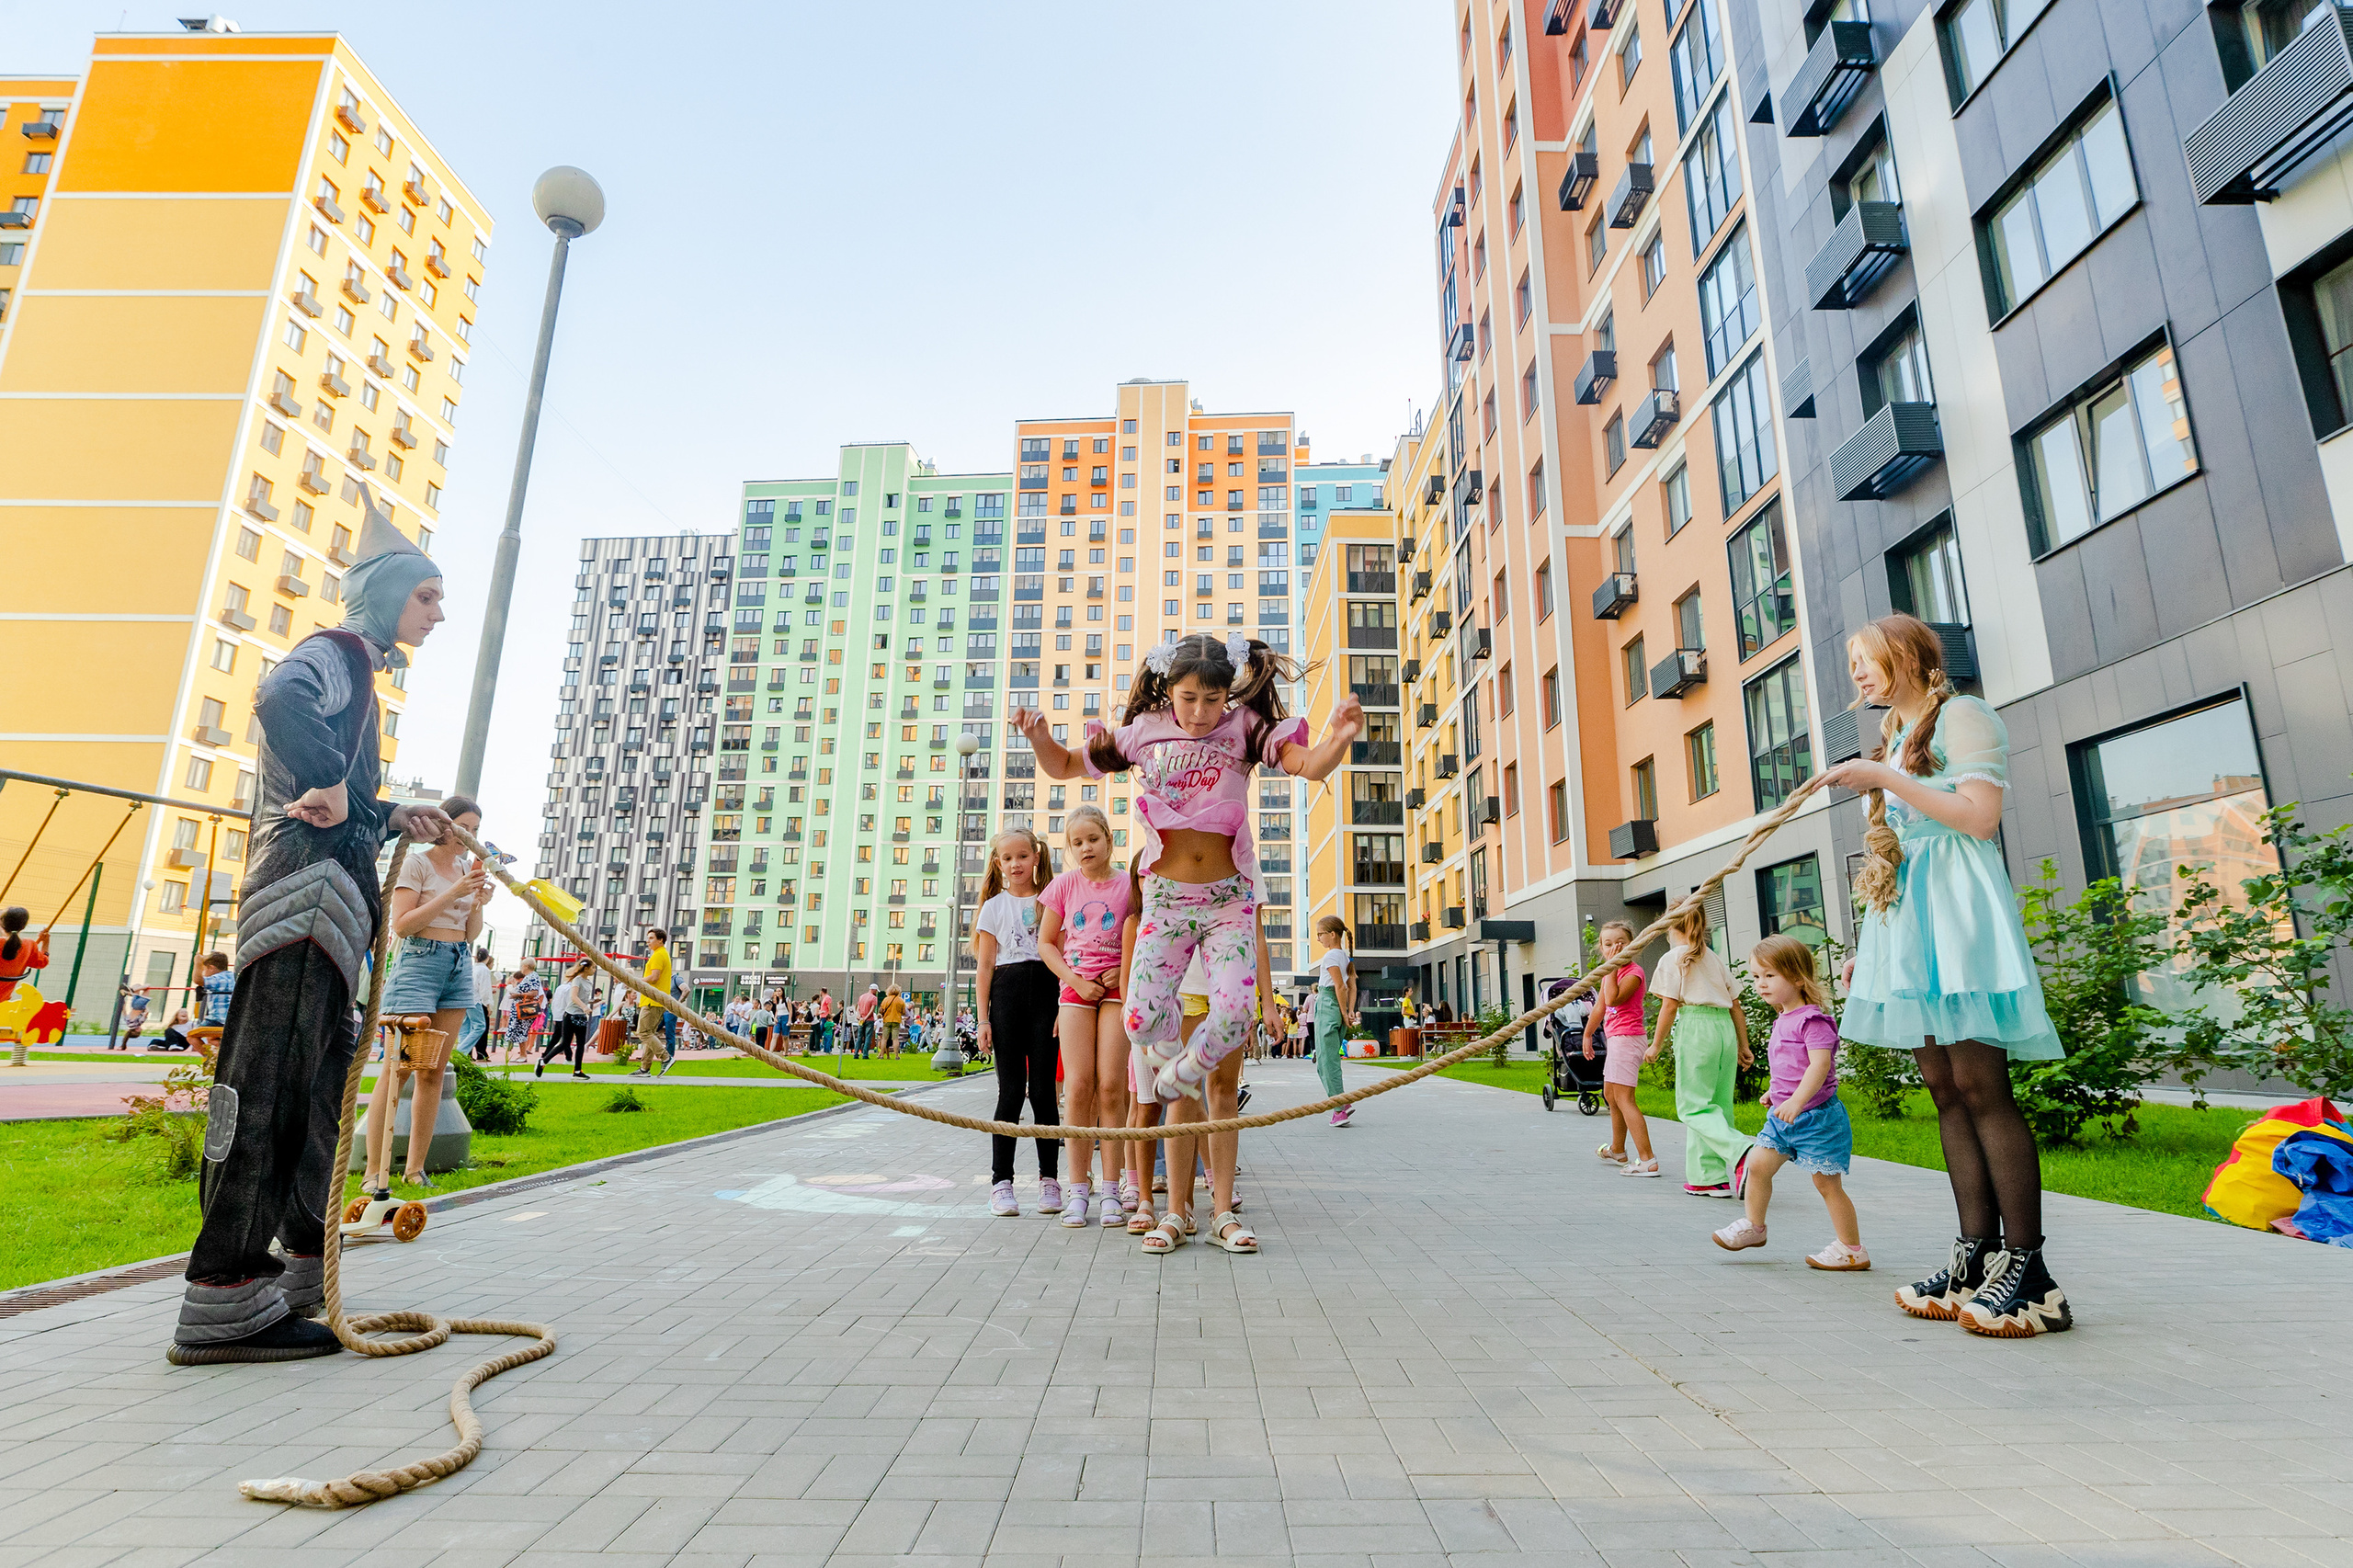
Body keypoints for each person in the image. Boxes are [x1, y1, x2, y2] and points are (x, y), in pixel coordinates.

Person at [172, 487, 454, 1364]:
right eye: (427, 596)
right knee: (270, 1088)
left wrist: (388, 807)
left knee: (316, 1088)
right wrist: (333, 777)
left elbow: (341, 786)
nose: (438, 613)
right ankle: (224, 1290)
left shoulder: (362, 673)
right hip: (299, 901)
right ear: (382, 598)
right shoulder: (333, 652)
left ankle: (300, 1267)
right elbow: (278, 698)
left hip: (331, 910)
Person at [1824, 613, 2068, 1336]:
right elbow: (1903, 839)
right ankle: (1975, 1256)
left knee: (1980, 1084)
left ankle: (2031, 1273)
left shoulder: (1963, 715)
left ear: (1907, 656)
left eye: (1868, 660)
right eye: (1855, 664)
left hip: (1961, 916)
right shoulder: (1897, 738)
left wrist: (1882, 775)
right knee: (1943, 1086)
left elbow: (1978, 816)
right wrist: (1873, 945)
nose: (1860, 674)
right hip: (1914, 917)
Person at [1018, 631, 1357, 1108]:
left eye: (1212, 700)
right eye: (1189, 699)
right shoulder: (1142, 733)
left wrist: (1338, 740)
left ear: (1228, 693)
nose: (1200, 713)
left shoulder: (1244, 728)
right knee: (1138, 1021)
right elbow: (1065, 765)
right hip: (1166, 896)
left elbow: (1308, 764)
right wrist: (1039, 738)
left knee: (1237, 1014)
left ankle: (1187, 1070)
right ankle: (1174, 1056)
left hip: (1228, 899)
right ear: (1169, 688)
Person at [1712, 936, 1868, 1270]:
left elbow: (1819, 1065)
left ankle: (1852, 1249)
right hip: (1784, 1116)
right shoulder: (1782, 1019)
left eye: (1770, 976)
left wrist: (1797, 1100)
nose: (1760, 984)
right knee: (1758, 1165)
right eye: (1756, 977)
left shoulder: (1813, 1020)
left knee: (1826, 1184)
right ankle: (1754, 1227)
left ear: (1798, 978)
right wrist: (1776, 1091)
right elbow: (1788, 1066)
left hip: (1817, 1118)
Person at [362, 795, 486, 1197]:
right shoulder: (417, 863)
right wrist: (455, 893)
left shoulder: (468, 869)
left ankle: (415, 1169)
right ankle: (374, 1170)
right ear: (445, 825)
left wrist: (478, 903)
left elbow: (469, 935)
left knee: (433, 1071)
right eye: (465, 827)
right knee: (399, 1069)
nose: (470, 837)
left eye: (476, 830)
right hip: (419, 962)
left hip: (457, 962)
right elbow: (403, 924)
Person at [1137, 902, 1272, 1254]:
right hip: (1184, 986)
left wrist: (1268, 1002)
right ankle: (1176, 1213)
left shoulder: (1242, 856)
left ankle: (1223, 1213)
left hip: (1232, 985)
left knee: (1224, 1092)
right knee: (1184, 1093)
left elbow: (1256, 934)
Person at [1037, 806, 1134, 1229]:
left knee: (1111, 1087)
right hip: (1075, 990)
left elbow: (1142, 934)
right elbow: (1046, 944)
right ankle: (1078, 1189)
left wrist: (1122, 971)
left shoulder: (1130, 886)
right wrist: (1075, 979)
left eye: (1092, 839)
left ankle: (1112, 1190)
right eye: (1076, 843)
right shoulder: (1062, 886)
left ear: (1108, 839)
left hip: (1116, 989)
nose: (1085, 848)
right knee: (1078, 1087)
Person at [974, 835, 1059, 1221]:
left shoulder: (1052, 897)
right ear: (997, 863)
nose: (1015, 864)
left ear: (1036, 857)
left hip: (1046, 992)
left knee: (1043, 1093)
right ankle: (1001, 1183)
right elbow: (986, 967)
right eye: (1007, 858)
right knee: (1010, 1093)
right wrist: (983, 1018)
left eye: (1022, 856)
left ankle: (1049, 1179)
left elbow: (1064, 949)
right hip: (1006, 997)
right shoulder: (993, 908)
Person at [1646, 903, 1751, 1197]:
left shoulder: (1673, 957)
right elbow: (1736, 1005)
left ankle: (1743, 1151)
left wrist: (1656, 1044)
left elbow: (1669, 1005)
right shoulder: (1712, 957)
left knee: (1694, 1106)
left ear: (1670, 926)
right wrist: (1743, 1045)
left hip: (1696, 1027)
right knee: (1716, 1106)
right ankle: (1709, 1177)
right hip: (1724, 1030)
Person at [1583, 921, 1658, 1177]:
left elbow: (1614, 998)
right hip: (1616, 1039)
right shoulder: (1610, 973)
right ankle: (1618, 1150)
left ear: (1632, 945)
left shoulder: (1633, 973)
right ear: (1601, 948)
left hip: (1628, 1039)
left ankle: (1647, 1160)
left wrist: (1611, 970)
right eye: (1607, 944)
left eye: (1620, 943)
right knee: (1611, 1096)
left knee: (1624, 1099)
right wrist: (1588, 1033)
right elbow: (1601, 1006)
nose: (1614, 947)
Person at [1310, 915, 1358, 1127]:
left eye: (1320, 934)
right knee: (1330, 1059)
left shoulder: (1331, 957)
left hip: (1329, 1004)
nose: (1318, 938)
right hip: (1336, 1007)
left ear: (1332, 934)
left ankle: (1339, 1109)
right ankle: (1342, 1101)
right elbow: (1352, 987)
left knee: (1325, 1062)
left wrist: (1343, 1011)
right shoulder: (1345, 957)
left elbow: (1340, 987)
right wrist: (1349, 1012)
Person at [627, 928, 671, 1076]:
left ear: (661, 940)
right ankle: (645, 1068)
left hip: (652, 1000)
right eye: (648, 938)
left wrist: (636, 981)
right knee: (650, 1033)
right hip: (656, 1000)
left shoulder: (658, 955)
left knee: (643, 1032)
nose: (648, 941)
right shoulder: (661, 954)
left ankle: (665, 1057)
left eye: (651, 938)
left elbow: (654, 977)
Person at [540, 960, 593, 1078]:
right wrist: (584, 1006)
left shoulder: (589, 982)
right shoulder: (577, 980)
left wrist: (588, 1003)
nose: (594, 970)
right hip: (571, 1015)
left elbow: (582, 998)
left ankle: (577, 1070)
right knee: (565, 1043)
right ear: (586, 969)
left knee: (580, 1044)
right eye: (593, 968)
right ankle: (544, 1061)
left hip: (581, 1016)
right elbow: (573, 997)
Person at [0, 908, 51, 1006]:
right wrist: (45, 943)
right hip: (3, 1001)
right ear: (23, 926)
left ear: (2, 925)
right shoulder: (29, 945)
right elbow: (42, 962)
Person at [503, 958, 545, 1062]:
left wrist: (519, 995)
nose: (521, 968)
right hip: (521, 1007)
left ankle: (523, 1055)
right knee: (520, 1029)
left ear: (526, 966)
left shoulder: (533, 976)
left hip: (524, 1008)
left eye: (522, 966)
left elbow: (535, 992)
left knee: (522, 1029)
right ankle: (522, 1054)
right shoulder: (530, 976)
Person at [196, 951, 235, 1028]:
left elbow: (197, 980)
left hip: (218, 1020)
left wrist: (197, 963)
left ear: (211, 968)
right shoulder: (233, 977)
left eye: (204, 970)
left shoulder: (217, 979)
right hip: (233, 1019)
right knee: (211, 1039)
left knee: (191, 1036)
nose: (204, 973)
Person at [119, 984, 151, 1050]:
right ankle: (131, 992)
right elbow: (124, 1011)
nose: (141, 1029)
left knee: (148, 987)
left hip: (140, 1005)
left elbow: (146, 1012)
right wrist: (123, 1003)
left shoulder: (138, 1023)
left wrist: (145, 1007)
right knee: (138, 985)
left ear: (137, 1030)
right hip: (133, 1005)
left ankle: (131, 991)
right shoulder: (128, 1022)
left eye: (140, 1031)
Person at [877, 984, 904, 1057]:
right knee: (895, 1039)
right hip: (896, 1020)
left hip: (887, 1020)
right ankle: (896, 1055)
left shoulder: (886, 999)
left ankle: (882, 1055)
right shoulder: (901, 1000)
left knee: (884, 1039)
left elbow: (881, 1010)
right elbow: (904, 1012)